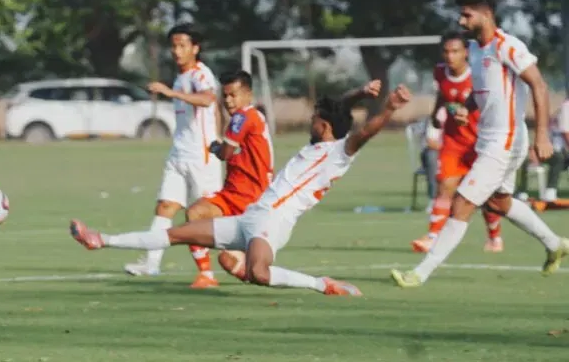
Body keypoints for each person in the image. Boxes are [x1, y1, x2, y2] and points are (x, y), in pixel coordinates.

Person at [69, 80, 407, 298]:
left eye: (314, 119)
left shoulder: (338, 154)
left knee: (259, 273)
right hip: (250, 216)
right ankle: (101, 241)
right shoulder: (321, 140)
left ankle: (323, 284)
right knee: (179, 233)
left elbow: (363, 134)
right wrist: (360, 94)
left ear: (324, 125)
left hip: (273, 223)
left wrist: (389, 107)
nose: (309, 122)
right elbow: (336, 110)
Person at [392, 0, 569, 288]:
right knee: (499, 202)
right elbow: (482, 90)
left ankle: (419, 274)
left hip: (507, 139)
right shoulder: (475, 50)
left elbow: (538, 86)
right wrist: (467, 107)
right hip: (487, 138)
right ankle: (555, 244)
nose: (461, 22)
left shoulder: (508, 46)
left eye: (467, 14)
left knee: (462, 201)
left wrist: (542, 136)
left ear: (486, 12)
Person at [127, 24, 222, 278]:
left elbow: (207, 99)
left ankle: (210, 272)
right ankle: (151, 263)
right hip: (179, 154)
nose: (177, 51)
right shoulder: (181, 77)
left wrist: (169, 92)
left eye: (182, 46)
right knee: (165, 207)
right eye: (174, 46)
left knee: (203, 216)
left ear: (195, 48)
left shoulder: (200, 74)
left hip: (200, 157)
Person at [174, 70, 274, 289]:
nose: (228, 101)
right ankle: (207, 275)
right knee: (195, 213)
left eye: (233, 95)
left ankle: (248, 267)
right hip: (231, 194)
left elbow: (225, 154)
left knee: (233, 259)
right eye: (225, 95)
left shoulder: (244, 116)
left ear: (248, 94)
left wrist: (215, 146)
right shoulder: (251, 117)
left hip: (252, 199)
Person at [411, 32, 503, 253]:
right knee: (446, 187)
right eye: (446, 51)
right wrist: (436, 113)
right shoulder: (440, 72)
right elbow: (443, 95)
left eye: (455, 51)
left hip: (478, 143)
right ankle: (432, 236)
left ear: (466, 53)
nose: (450, 56)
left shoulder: (478, 77)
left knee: (487, 195)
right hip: (452, 142)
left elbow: (493, 107)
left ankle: (494, 237)